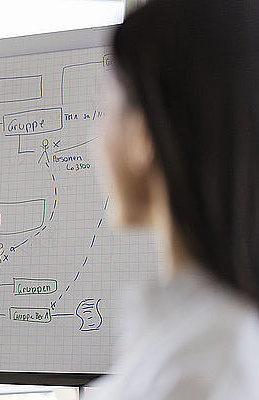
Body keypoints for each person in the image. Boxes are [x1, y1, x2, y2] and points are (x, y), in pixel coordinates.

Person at [89, 0, 259, 398]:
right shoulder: (197, 340)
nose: (94, 143)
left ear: (143, 135)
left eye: (103, 109)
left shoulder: (202, 369)